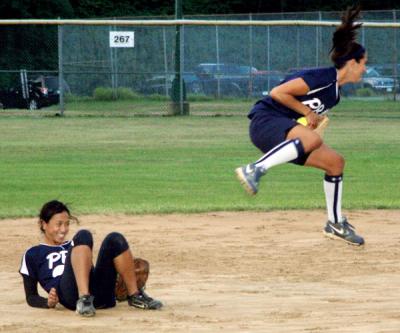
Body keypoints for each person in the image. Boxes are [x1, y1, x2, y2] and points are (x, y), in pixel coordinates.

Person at [235, 7, 366, 246]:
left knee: (335, 162)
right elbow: (278, 93)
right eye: (363, 63)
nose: (365, 68)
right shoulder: (322, 77)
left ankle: (335, 223)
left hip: (284, 129)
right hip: (265, 122)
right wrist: (307, 113)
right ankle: (255, 169)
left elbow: (304, 122)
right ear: (352, 62)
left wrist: (311, 123)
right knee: (313, 140)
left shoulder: (334, 94)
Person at [19, 200, 163, 317]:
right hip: (69, 295)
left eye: (67, 223)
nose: (64, 229)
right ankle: (84, 299)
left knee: (114, 239)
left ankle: (135, 296)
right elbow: (31, 296)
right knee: (83, 235)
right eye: (59, 224)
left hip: (100, 295)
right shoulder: (33, 254)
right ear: (43, 224)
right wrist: (47, 303)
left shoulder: (74, 245)